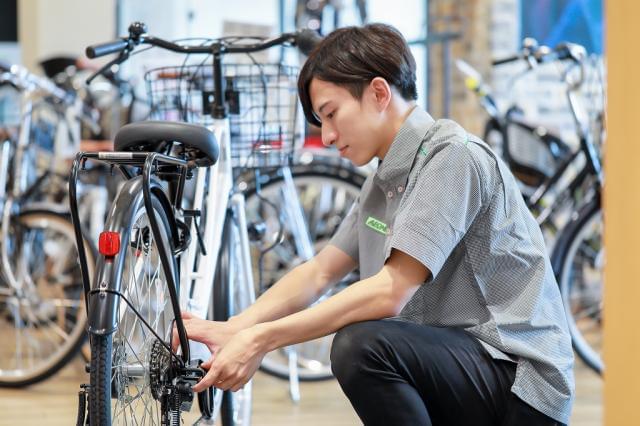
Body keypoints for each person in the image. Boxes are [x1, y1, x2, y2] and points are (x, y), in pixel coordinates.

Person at [174, 23, 574, 425]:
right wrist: (235, 327)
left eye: (331, 114)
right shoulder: (383, 182)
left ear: (379, 93)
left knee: (362, 346)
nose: (327, 137)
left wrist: (261, 340)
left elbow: (390, 292)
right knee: (364, 344)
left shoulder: (452, 156)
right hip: (470, 366)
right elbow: (318, 272)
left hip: (520, 382)